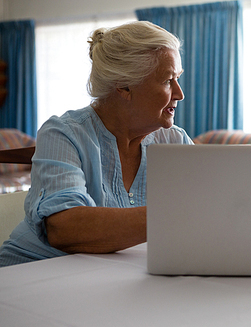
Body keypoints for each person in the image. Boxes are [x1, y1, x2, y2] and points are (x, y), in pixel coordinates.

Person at [0, 21, 193, 267]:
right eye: (168, 80)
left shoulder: (175, 141)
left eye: (178, 78)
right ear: (124, 85)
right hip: (28, 276)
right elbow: (65, 228)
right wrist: (178, 214)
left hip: (112, 277)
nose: (180, 93)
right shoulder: (63, 134)